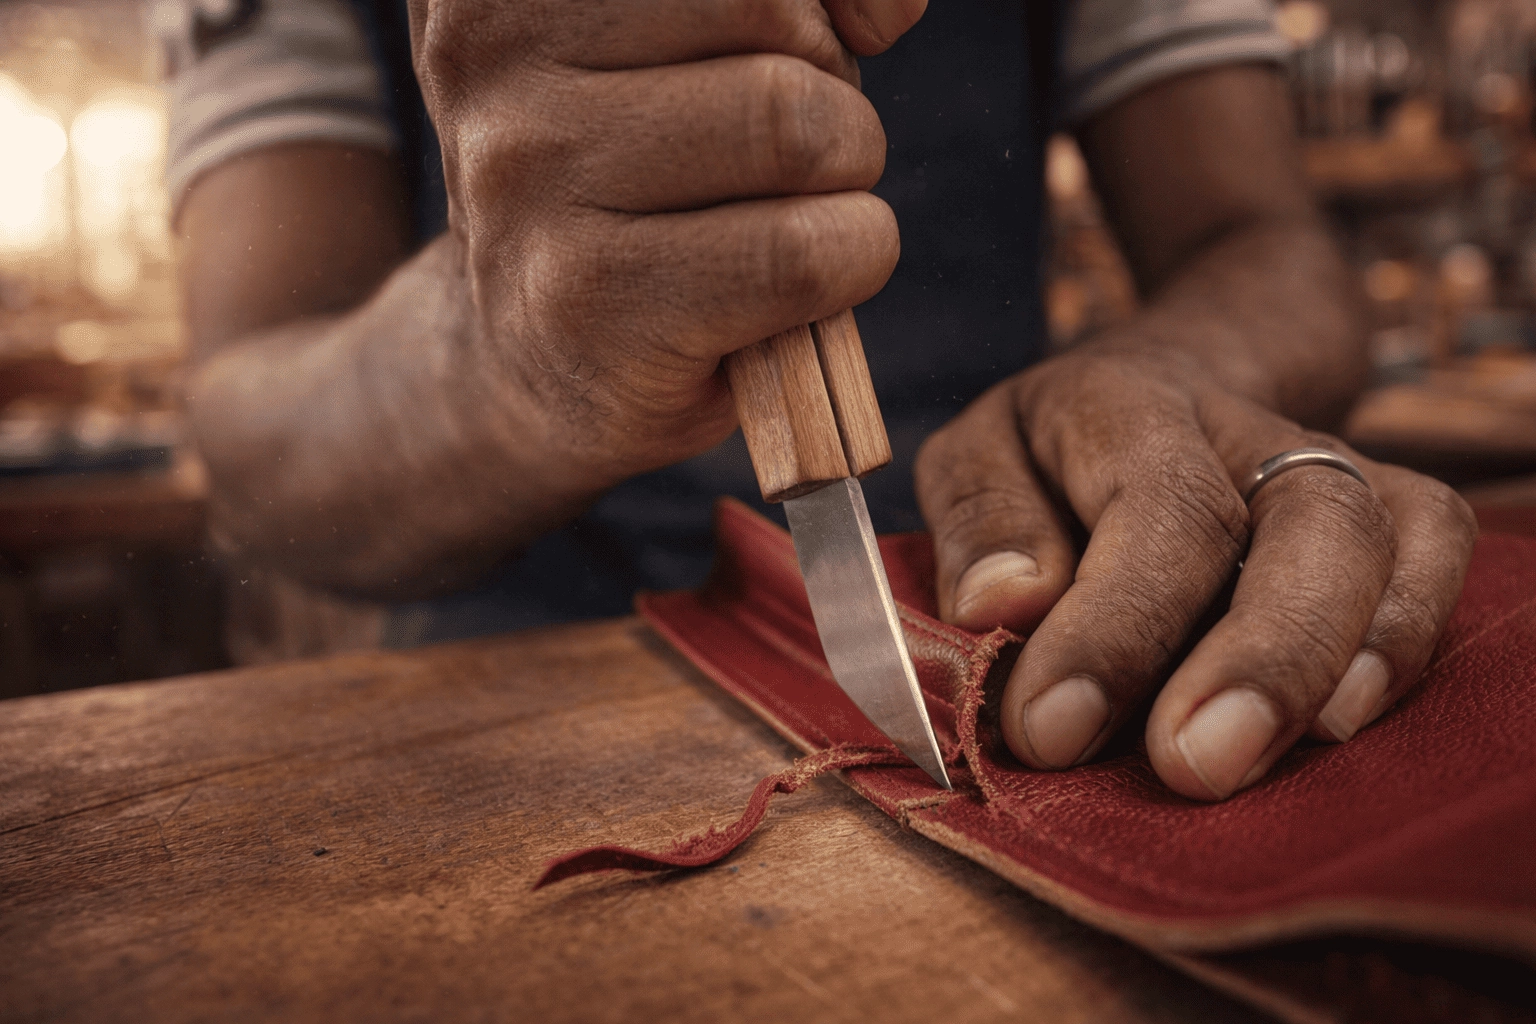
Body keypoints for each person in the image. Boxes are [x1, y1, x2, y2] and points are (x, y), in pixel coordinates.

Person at [156, 0, 1477, 803]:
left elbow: (1265, 245)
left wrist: (1166, 374)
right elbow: (248, 432)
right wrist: (502, 357)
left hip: (980, 608)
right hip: (517, 698)